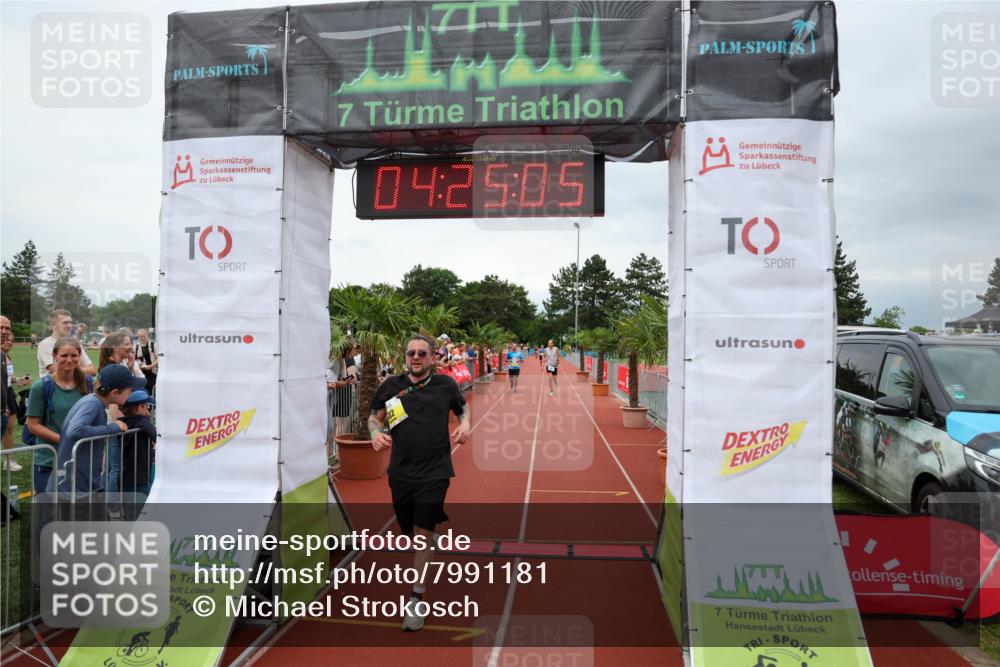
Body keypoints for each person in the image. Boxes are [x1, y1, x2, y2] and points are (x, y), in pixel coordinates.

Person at [368, 334, 471, 632]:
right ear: (405, 357)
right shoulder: (391, 386)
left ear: (432, 358)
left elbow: (462, 408)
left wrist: (465, 423)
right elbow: (374, 418)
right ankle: (425, 537)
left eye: (422, 353)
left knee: (424, 535)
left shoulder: (445, 385)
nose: (416, 357)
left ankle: (416, 599)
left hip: (435, 471)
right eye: (411, 352)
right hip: (401, 472)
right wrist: (375, 433)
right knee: (411, 530)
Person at [51, 364, 143, 494]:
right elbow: (74, 430)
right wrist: (112, 428)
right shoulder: (92, 404)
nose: (131, 393)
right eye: (129, 390)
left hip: (79, 480)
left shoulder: (93, 402)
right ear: (115, 393)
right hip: (72, 484)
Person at [26, 337, 92, 493]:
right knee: (49, 507)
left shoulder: (88, 384)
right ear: (54, 356)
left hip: (80, 460)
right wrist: (65, 441)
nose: (69, 360)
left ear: (80, 356)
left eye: (74, 355)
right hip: (49, 461)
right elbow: (33, 425)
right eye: (64, 355)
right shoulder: (40, 387)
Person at [38, 309, 97, 378]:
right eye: (65, 322)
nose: (69, 326)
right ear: (53, 324)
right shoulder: (45, 344)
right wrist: (80, 367)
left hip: (75, 384)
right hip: (52, 384)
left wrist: (71, 368)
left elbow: (93, 370)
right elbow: (57, 370)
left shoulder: (74, 343)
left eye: (70, 322)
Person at [120, 389, 156, 495]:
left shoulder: (123, 421)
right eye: (146, 406)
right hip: (139, 477)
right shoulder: (141, 421)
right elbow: (156, 435)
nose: (148, 409)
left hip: (126, 475)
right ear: (140, 407)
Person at [326, 343, 357, 459]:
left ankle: (332, 454)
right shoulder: (337, 360)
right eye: (353, 349)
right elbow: (333, 382)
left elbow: (337, 380)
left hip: (334, 396)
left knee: (333, 425)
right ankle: (333, 454)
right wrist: (345, 382)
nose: (354, 352)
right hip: (334, 396)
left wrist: (344, 381)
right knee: (333, 426)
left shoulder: (340, 360)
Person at [134, 329, 158, 395]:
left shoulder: (153, 345)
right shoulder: (136, 346)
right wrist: (140, 366)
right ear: (138, 337)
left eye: (144, 336)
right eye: (140, 336)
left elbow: (158, 358)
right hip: (141, 373)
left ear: (147, 335)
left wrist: (151, 366)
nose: (143, 338)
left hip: (152, 372)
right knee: (143, 391)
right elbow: (135, 359)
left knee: (151, 391)